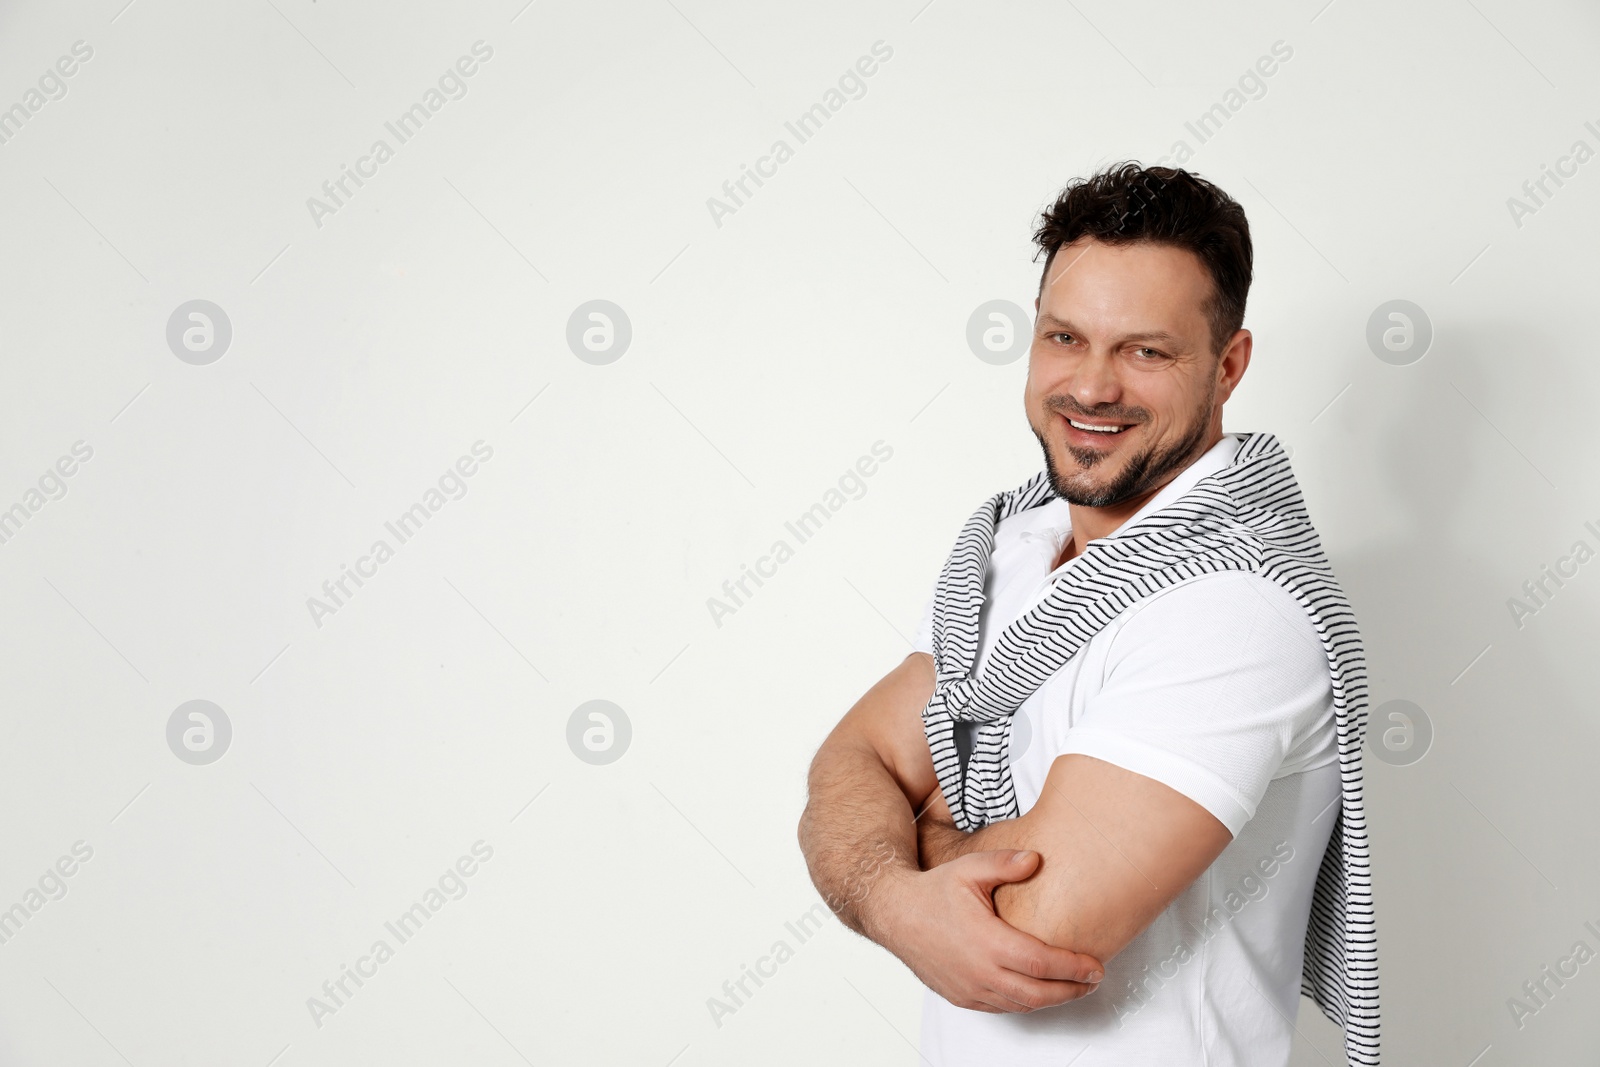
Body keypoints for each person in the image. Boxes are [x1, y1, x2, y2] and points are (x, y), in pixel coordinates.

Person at [796, 163, 1378, 1066]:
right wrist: (894, 892)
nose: (1092, 387)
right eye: (1065, 337)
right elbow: (851, 758)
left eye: (1145, 351)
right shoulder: (1010, 551)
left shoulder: (1236, 601)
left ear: (1228, 365)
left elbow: (1030, 930)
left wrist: (910, 838)